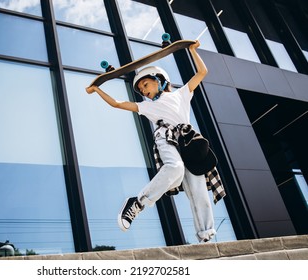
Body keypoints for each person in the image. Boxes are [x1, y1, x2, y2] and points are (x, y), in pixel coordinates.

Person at [85, 40, 220, 243]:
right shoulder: (146, 107)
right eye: (141, 89)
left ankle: (206, 237)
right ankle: (137, 203)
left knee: (199, 191)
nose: (144, 91)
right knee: (174, 168)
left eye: (146, 85)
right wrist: (97, 89)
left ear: (160, 80)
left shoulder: (181, 94)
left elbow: (201, 72)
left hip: (188, 141)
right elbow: (117, 104)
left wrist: (192, 50)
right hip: (165, 138)